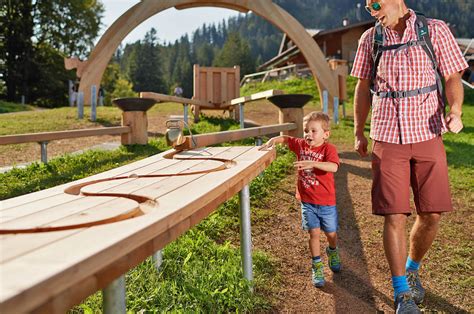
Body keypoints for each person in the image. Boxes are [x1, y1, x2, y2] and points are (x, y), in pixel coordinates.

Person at [352, 1, 467, 313]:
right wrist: (359, 130)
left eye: (375, 4)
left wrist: (455, 110)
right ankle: (402, 292)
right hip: (387, 137)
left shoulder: (435, 30)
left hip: (428, 133)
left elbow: (453, 78)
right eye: (366, 6)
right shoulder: (370, 39)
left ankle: (412, 268)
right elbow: (362, 88)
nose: (371, 11)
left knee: (431, 214)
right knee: (394, 214)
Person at [260, 111, 341, 288]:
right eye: (306, 130)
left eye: (314, 131)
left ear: (325, 134)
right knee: (313, 233)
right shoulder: (301, 145)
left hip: (326, 202)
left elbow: (333, 167)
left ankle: (332, 250)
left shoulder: (329, 149)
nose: (308, 135)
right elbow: (287, 139)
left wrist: (313, 164)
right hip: (307, 202)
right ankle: (317, 266)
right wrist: (273, 140)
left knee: (331, 233)